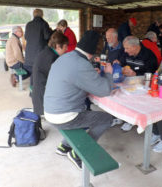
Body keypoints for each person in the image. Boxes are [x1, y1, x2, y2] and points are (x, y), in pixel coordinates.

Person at [44, 30, 114, 170]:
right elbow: (104, 90)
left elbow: (72, 78)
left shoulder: (65, 57)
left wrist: (90, 75)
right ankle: (77, 153)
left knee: (84, 113)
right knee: (106, 118)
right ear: (92, 53)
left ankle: (64, 146)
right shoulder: (82, 64)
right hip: (63, 117)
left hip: (49, 111)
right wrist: (108, 74)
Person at [119, 36, 158, 131]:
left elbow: (151, 75)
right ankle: (126, 118)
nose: (125, 51)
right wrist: (121, 68)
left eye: (127, 48)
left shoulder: (149, 55)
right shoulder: (126, 53)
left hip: (143, 88)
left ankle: (135, 121)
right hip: (128, 84)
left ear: (135, 47)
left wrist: (136, 74)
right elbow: (121, 63)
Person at [32, 31, 69, 116]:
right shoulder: (52, 57)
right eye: (65, 47)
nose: (66, 49)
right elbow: (59, 79)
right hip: (43, 95)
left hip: (39, 90)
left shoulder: (47, 51)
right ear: (58, 46)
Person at [24, 9, 53, 86]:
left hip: (29, 53)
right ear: (42, 15)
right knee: (39, 74)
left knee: (33, 74)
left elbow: (26, 37)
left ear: (34, 15)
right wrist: (51, 31)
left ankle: (32, 90)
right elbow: (47, 36)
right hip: (39, 52)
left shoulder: (28, 24)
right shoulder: (43, 24)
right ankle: (34, 91)